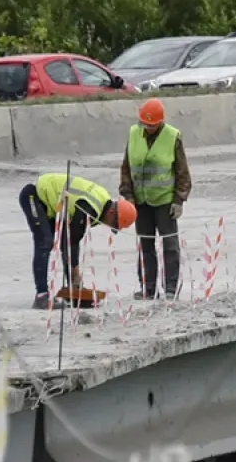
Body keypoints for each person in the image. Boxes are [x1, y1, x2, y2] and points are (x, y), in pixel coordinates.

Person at [19, 172, 137, 309]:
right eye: (113, 224)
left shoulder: (102, 204)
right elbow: (70, 242)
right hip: (34, 195)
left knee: (52, 242)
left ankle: (71, 289)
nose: (109, 226)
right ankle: (41, 296)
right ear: (112, 214)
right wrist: (75, 276)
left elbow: (68, 240)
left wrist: (74, 286)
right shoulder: (90, 209)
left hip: (50, 205)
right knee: (45, 242)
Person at [119, 97, 192, 300]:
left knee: (170, 246)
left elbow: (182, 172)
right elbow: (126, 167)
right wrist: (128, 196)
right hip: (140, 202)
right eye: (145, 124)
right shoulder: (134, 134)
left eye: (152, 125)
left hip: (164, 201)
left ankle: (170, 288)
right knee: (146, 245)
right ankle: (148, 288)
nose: (148, 128)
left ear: (160, 122)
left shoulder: (172, 137)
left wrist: (179, 200)